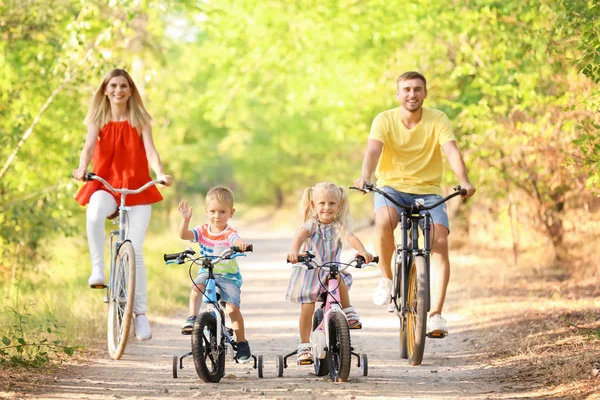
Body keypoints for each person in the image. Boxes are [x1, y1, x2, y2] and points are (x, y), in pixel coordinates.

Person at [353, 71, 476, 337]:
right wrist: (365, 175)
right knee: (384, 222)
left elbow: (451, 150)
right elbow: (373, 150)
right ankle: (386, 279)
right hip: (391, 188)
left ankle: (436, 316)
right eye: (407, 89)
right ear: (398, 94)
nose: (412, 94)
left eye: (418, 89)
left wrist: (464, 179)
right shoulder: (384, 119)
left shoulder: (437, 119)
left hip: (429, 191)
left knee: (440, 243)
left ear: (425, 93)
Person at [72, 68, 173, 341]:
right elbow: (88, 147)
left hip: (137, 187)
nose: (119, 90)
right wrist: (82, 167)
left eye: (124, 86)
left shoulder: (140, 119)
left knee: (135, 249)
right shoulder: (98, 118)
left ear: (131, 90)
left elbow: (151, 151)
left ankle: (140, 314)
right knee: (94, 211)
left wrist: (160, 174)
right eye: (113, 86)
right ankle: (98, 269)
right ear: (105, 89)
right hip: (105, 184)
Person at [285, 182, 373, 364]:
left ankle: (348, 311)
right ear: (313, 205)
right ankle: (304, 345)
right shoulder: (311, 224)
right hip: (310, 271)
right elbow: (300, 236)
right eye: (322, 203)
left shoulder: (339, 225)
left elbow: (352, 238)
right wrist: (294, 251)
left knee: (338, 276)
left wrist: (363, 251)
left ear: (338, 206)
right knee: (307, 307)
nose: (327, 208)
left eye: (332, 203)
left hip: (330, 270)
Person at [177, 186, 252, 363]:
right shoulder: (202, 230)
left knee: (233, 309)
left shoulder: (229, 233)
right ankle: (193, 317)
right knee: (196, 288)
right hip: (207, 270)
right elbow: (184, 235)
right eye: (212, 211)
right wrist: (185, 220)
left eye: (222, 212)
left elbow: (236, 240)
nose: (217, 216)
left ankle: (241, 342)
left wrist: (241, 245)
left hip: (228, 277)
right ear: (206, 211)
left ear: (231, 213)